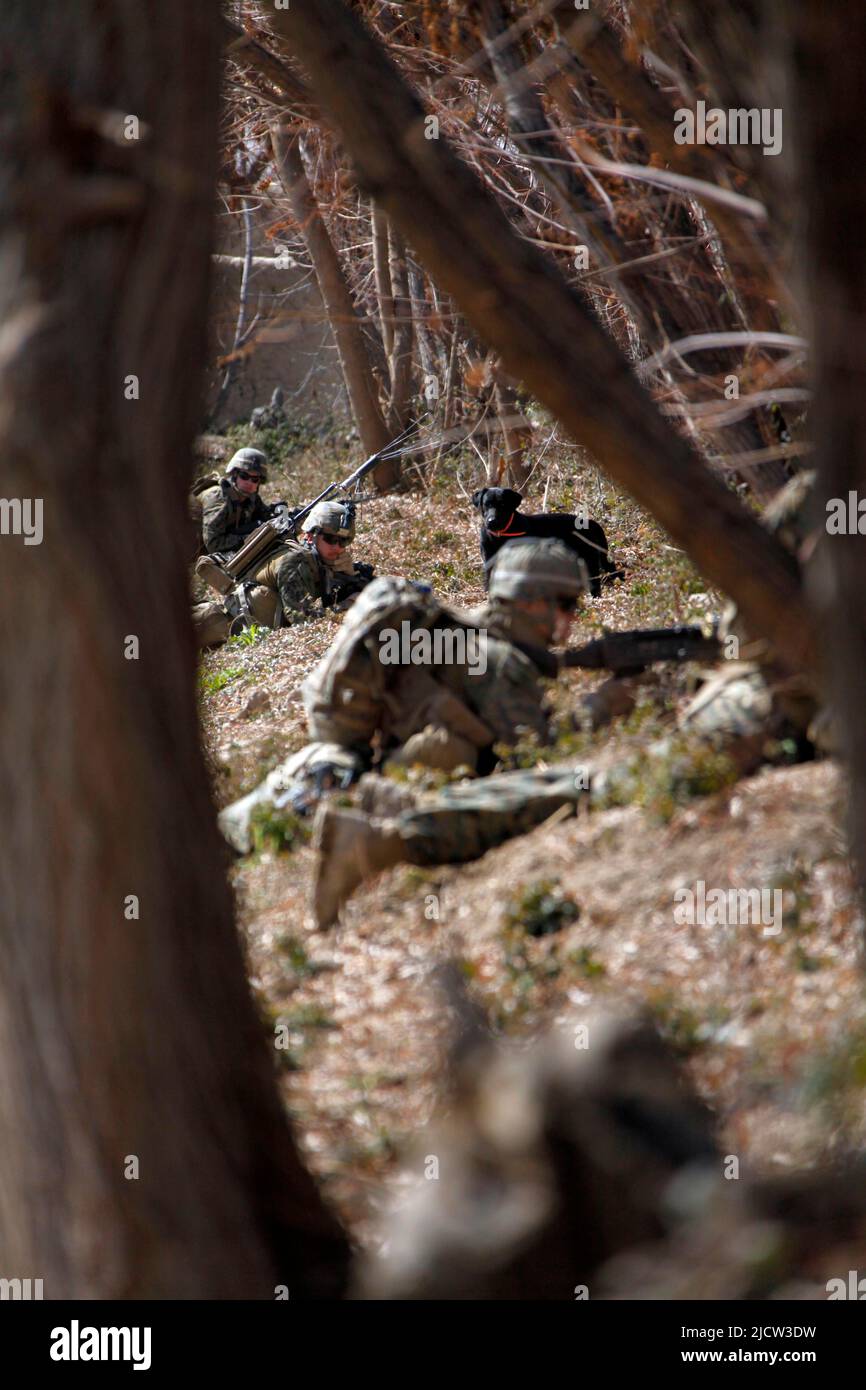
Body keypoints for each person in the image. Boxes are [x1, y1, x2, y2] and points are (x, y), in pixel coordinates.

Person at [217, 539, 590, 852]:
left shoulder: (469, 631)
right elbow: (537, 755)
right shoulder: (497, 660)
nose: (574, 618)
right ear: (530, 601)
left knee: (232, 831)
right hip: (371, 781)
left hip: (346, 759)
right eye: (567, 604)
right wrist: (600, 708)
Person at [193, 498, 374, 647]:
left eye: (343, 542)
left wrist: (350, 578)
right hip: (221, 625)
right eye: (330, 539)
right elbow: (299, 617)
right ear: (310, 536)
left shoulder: (319, 562)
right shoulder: (293, 561)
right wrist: (346, 605)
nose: (337, 547)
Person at [198, 447, 271, 557]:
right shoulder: (218, 498)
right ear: (234, 474)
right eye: (244, 476)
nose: (249, 482)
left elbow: (267, 517)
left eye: (255, 479)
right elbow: (213, 544)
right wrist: (248, 538)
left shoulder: (251, 498)